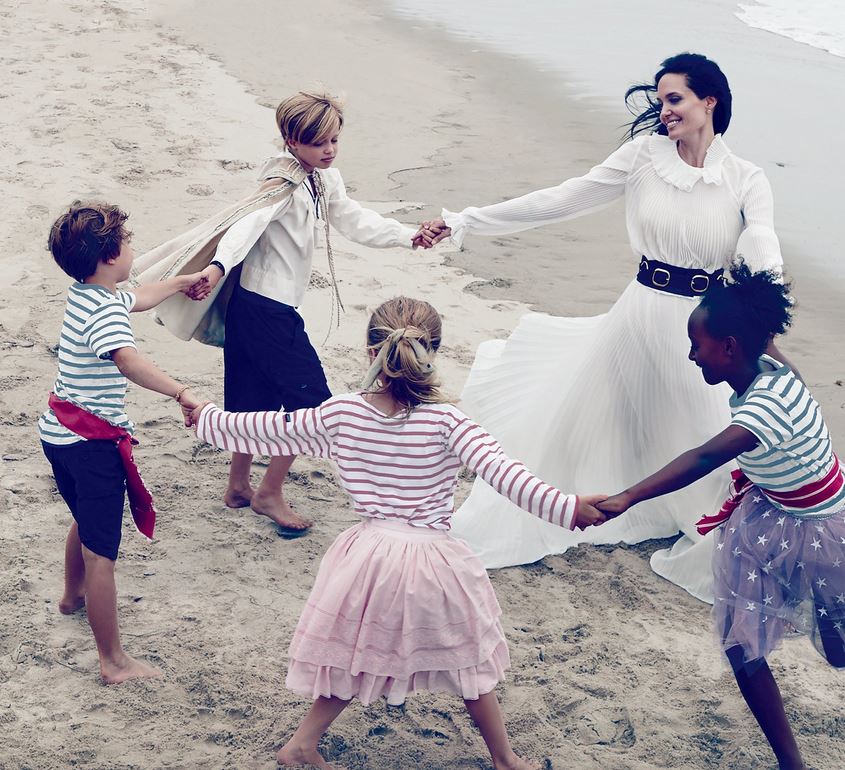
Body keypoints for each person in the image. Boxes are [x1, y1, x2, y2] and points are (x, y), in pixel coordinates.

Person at [414, 52, 786, 601]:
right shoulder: (643, 156)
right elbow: (564, 199)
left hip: (705, 325)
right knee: (591, 420)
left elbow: (760, 242)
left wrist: (770, 299)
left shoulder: (746, 179)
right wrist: (467, 220)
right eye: (660, 101)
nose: (664, 112)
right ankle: (571, 503)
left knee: (699, 433)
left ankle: (680, 513)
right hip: (639, 313)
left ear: (710, 101)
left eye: (675, 99)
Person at [190, 297, 607, 770]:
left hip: (367, 558)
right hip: (432, 562)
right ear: (434, 353)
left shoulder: (341, 414)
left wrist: (203, 416)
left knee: (356, 657)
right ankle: (505, 759)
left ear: (370, 352)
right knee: (466, 660)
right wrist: (569, 509)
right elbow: (508, 476)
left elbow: (264, 430)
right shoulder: (449, 421)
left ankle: (302, 744)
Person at [598, 262, 844, 770]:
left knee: (839, 645)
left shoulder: (765, 411)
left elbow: (703, 458)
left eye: (698, 345)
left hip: (824, 530)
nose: (691, 354)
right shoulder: (772, 367)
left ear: (730, 348)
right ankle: (791, 763)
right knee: (742, 644)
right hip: (773, 512)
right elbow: (766, 335)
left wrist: (627, 497)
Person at [187, 91, 422, 535]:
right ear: (291, 141)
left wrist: (408, 236)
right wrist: (218, 266)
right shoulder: (281, 182)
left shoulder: (324, 178)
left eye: (334, 140)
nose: (329, 150)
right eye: (318, 143)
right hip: (265, 310)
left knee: (251, 399)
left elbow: (354, 220)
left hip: (258, 308)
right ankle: (268, 493)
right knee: (310, 405)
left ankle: (238, 485)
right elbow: (246, 225)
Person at [39, 201, 207, 684]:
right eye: (128, 243)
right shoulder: (106, 315)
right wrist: (181, 391)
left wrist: (178, 282)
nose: (133, 250)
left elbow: (138, 296)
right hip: (90, 445)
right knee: (102, 553)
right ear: (112, 255)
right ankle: (113, 661)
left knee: (85, 522)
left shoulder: (89, 295)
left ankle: (71, 597)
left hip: (59, 432)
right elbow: (128, 361)